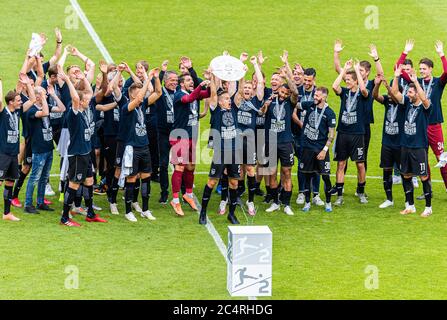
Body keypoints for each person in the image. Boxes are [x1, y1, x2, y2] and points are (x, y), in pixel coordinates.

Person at [398, 40, 447, 197]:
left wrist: (441, 54)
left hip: (434, 125)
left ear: (431, 69)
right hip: (420, 127)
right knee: (423, 159)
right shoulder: (415, 83)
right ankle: (428, 191)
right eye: (420, 69)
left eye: (424, 69)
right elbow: (397, 69)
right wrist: (405, 52)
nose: (421, 71)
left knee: (442, 159)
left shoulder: (438, 83)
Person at [113, 65, 162, 222]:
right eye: (138, 91)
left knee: (146, 177)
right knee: (131, 179)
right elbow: (140, 98)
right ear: (131, 94)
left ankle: (145, 209)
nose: (141, 92)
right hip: (131, 148)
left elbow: (158, 93)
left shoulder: (142, 105)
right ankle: (128, 211)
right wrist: (147, 79)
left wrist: (155, 77)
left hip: (144, 146)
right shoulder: (126, 107)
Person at [59, 66, 107, 226]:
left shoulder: (85, 110)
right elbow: (75, 98)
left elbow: (89, 93)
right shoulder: (74, 114)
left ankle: (90, 214)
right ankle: (65, 217)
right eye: (85, 100)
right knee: (73, 184)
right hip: (77, 153)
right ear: (79, 102)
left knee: (89, 181)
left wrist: (84, 78)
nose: (88, 101)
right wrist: (67, 80)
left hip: (86, 152)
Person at [389, 67, 433, 217]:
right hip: (405, 146)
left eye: (410, 92)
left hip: (419, 147)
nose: (407, 94)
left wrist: (415, 81)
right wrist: (396, 76)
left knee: (423, 177)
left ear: (417, 94)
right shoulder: (407, 103)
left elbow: (424, 98)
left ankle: (428, 207)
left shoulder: (425, 107)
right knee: (406, 175)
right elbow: (394, 93)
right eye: (407, 92)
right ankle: (411, 206)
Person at [199, 75, 241, 225]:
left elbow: (240, 92)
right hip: (221, 152)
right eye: (226, 99)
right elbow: (213, 94)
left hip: (234, 151)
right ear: (220, 101)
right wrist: (213, 76)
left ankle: (231, 214)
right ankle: (203, 212)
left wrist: (240, 74)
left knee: (234, 183)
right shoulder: (216, 110)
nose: (228, 100)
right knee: (212, 181)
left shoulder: (234, 109)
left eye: (229, 99)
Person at [260, 51, 297, 216]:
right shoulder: (270, 101)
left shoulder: (291, 102)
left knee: (287, 172)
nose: (283, 95)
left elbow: (295, 91)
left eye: (285, 93)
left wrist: (286, 75)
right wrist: (264, 107)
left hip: (286, 142)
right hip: (271, 142)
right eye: (281, 92)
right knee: (272, 173)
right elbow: (261, 114)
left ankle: (287, 204)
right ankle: (275, 202)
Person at [170, 74, 210, 216]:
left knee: (191, 166)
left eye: (192, 81)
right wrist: (200, 85)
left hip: (191, 136)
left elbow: (209, 93)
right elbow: (189, 98)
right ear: (181, 84)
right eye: (188, 80)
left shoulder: (195, 94)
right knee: (180, 167)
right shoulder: (179, 95)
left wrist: (212, 81)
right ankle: (175, 200)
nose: (191, 82)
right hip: (180, 136)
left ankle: (188, 194)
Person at [332, 59, 369, 206]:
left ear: (355, 81)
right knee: (341, 164)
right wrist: (344, 70)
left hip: (357, 134)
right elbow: (334, 86)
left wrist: (356, 70)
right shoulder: (344, 93)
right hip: (343, 133)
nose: (346, 82)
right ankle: (339, 195)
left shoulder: (362, 94)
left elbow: (364, 89)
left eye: (348, 80)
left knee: (360, 164)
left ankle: (360, 191)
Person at [24, 79, 65, 213]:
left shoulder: (45, 104)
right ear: (36, 97)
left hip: (48, 148)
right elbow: (45, 114)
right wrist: (42, 99)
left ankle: (40, 202)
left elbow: (62, 109)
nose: (45, 96)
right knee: (35, 177)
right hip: (39, 149)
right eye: (43, 94)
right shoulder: (31, 110)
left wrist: (53, 96)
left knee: (44, 177)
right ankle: (28, 204)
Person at [0, 76, 34, 221]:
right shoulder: (3, 113)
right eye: (18, 100)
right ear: (11, 102)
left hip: (13, 154)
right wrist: (0, 83)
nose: (21, 102)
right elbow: (0, 101)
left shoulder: (17, 112)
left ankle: (6, 213)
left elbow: (32, 101)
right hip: (2, 153)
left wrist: (28, 85)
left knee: (9, 182)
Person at [297, 87, 336, 212]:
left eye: (317, 96)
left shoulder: (329, 113)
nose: (314, 97)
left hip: (320, 150)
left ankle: (328, 202)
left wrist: (325, 150)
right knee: (307, 176)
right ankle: (307, 202)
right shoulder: (309, 105)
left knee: (325, 177)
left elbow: (331, 134)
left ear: (324, 97)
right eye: (314, 95)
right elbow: (294, 104)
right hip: (307, 148)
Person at [372, 73, 406, 208]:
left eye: (393, 89)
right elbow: (375, 96)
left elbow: (394, 94)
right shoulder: (387, 100)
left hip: (399, 144)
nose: (389, 91)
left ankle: (408, 200)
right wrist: (378, 84)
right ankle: (389, 199)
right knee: (386, 171)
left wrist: (388, 85)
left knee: (404, 174)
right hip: (387, 143)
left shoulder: (404, 103)